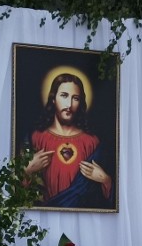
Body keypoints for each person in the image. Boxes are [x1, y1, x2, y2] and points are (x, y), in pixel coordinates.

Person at [24, 73, 113, 208]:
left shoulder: (92, 142)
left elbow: (106, 201)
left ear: (80, 102)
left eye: (75, 98)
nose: (69, 104)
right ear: (53, 98)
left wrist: (106, 180)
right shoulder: (36, 138)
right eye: (64, 96)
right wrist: (27, 170)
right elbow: (18, 195)